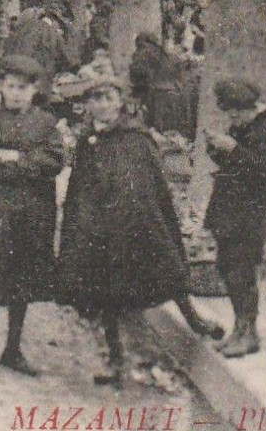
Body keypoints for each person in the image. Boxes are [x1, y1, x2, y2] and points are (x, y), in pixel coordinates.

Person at [57, 74, 223, 386]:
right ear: (88, 105)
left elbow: (150, 181)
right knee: (104, 291)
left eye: (108, 98)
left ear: (119, 102)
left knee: (167, 269)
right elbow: (82, 185)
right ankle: (116, 359)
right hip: (101, 226)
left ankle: (196, 320)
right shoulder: (87, 140)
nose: (103, 105)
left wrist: (138, 210)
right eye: (96, 99)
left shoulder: (135, 137)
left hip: (138, 220)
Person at [0, 56, 64, 385]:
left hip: (33, 213)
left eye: (23, 88)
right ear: (1, 87)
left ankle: (13, 348)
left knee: (24, 278)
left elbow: (54, 161)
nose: (16, 93)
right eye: (10, 87)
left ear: (34, 89)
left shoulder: (47, 123)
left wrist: (16, 159)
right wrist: (27, 162)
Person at [204, 79, 266, 358]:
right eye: (230, 114)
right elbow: (234, 166)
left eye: (237, 113)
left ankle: (249, 332)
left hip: (251, 214)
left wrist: (234, 150)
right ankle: (239, 329)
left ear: (252, 108)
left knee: (243, 273)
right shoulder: (245, 127)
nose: (233, 119)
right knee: (229, 269)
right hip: (230, 211)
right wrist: (216, 149)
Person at [130, 32, 191, 137]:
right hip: (174, 93)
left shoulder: (144, 52)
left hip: (157, 94)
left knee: (156, 128)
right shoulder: (162, 53)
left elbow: (139, 75)